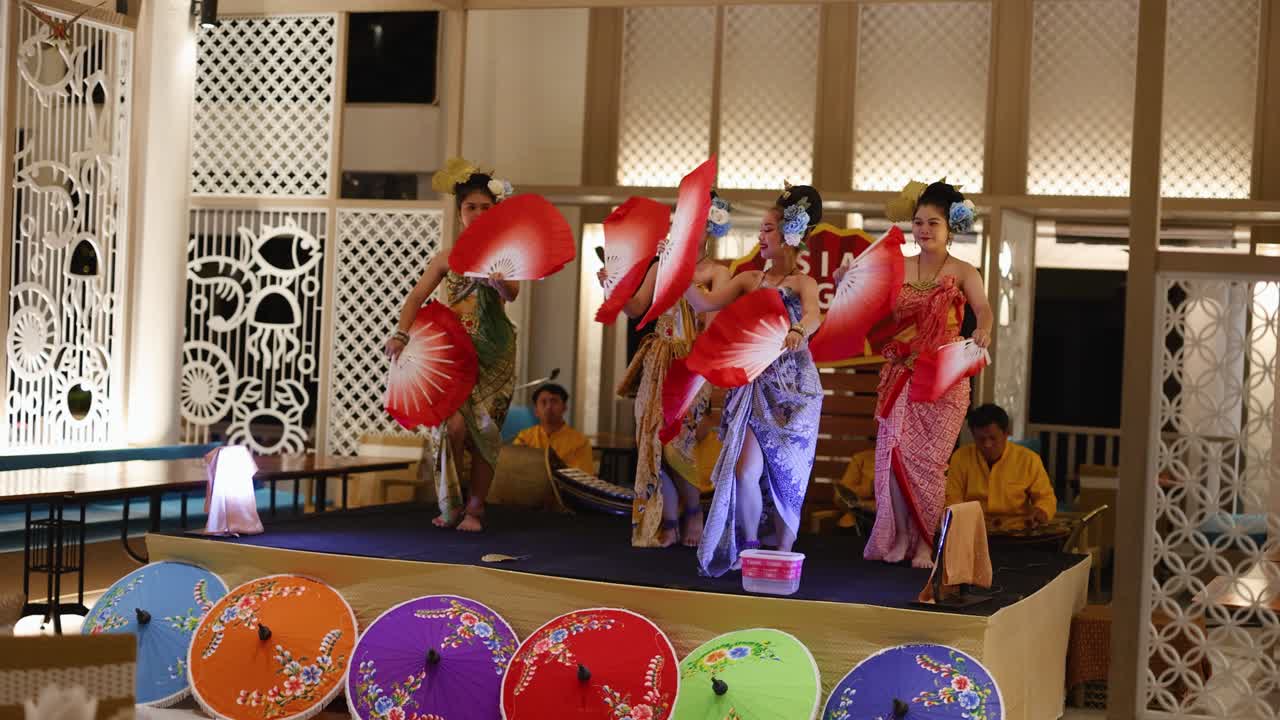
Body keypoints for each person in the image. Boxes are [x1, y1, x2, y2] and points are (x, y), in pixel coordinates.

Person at [848, 180, 994, 568]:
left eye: (933, 223)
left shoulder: (965, 271)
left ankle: (927, 542)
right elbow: (873, 309)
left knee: (928, 465)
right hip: (901, 375)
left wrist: (984, 330)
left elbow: (983, 309)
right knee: (893, 456)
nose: (924, 230)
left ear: (951, 228)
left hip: (943, 381)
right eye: (918, 222)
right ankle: (896, 537)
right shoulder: (897, 267)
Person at [683, 185, 824, 577]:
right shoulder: (748, 279)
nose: (761, 237)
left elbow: (814, 316)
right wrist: (676, 268)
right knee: (745, 470)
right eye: (761, 230)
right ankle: (749, 545)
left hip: (795, 391)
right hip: (753, 386)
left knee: (787, 474)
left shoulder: (801, 284)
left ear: (789, 235)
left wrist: (799, 329)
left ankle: (783, 549)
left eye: (767, 230)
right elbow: (705, 302)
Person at [385, 158, 519, 532]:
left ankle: (476, 509)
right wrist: (401, 333)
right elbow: (415, 298)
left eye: (485, 208)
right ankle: (451, 502)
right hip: (455, 353)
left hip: (496, 353)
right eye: (470, 208)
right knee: (451, 425)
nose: (477, 214)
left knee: (486, 431)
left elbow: (512, 293)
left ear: (495, 213)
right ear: (459, 212)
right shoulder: (446, 259)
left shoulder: (506, 256)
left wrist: (499, 284)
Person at [603, 192, 733, 548]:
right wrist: (611, 285)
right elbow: (636, 309)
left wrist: (681, 277)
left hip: (693, 364)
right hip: (658, 357)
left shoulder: (718, 273)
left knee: (679, 443)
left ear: (708, 227)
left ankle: (693, 511)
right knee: (651, 440)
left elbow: (712, 324)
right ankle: (669, 522)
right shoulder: (662, 264)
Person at [947, 404, 1056, 531]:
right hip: (973, 531)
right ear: (973, 435)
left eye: (993, 438)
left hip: (1017, 531)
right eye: (981, 439)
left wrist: (1040, 512)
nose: (987, 444)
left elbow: (1046, 498)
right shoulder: (960, 458)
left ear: (1006, 433)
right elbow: (952, 499)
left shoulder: (1028, 459)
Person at [514, 383, 595, 475]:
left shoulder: (580, 442)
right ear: (536, 411)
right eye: (543, 402)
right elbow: (516, 469)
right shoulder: (524, 437)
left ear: (564, 408)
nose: (549, 407)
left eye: (554, 401)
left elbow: (583, 479)